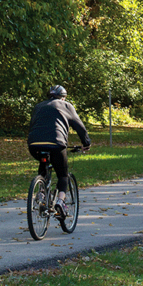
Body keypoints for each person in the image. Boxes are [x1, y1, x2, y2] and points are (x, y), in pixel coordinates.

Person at [27, 85, 91, 220]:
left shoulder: (38, 106)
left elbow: (33, 124)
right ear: (63, 97)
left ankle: (41, 192)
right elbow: (79, 126)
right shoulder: (66, 106)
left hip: (34, 144)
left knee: (44, 162)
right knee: (63, 175)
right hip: (56, 144)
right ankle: (61, 202)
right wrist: (86, 143)